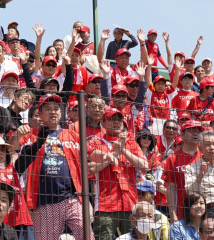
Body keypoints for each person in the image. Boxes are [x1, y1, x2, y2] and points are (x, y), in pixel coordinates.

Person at [16, 94, 93, 240]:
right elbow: (13, 154)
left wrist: (111, 153)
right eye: (48, 109)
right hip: (45, 202)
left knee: (87, 236)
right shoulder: (30, 136)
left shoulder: (72, 135)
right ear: (39, 114)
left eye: (56, 109)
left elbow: (92, 153)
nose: (53, 112)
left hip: (72, 198)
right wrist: (15, 136)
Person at [88, 108, 148, 240]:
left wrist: (124, 150)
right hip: (105, 206)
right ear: (103, 123)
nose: (117, 122)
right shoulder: (95, 142)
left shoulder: (131, 143)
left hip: (130, 204)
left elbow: (145, 166)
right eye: (112, 119)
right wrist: (113, 154)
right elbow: (90, 169)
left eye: (119, 119)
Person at [163, 120, 203, 223]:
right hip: (182, 212)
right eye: (191, 130)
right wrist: (172, 213)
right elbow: (170, 187)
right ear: (182, 135)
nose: (195, 133)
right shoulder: (172, 158)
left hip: (204, 212)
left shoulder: (205, 156)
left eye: (198, 131)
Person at [186, 130, 214, 221]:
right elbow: (190, 192)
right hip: (208, 211)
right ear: (200, 148)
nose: (212, 147)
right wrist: (200, 176)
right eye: (208, 144)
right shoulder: (191, 168)